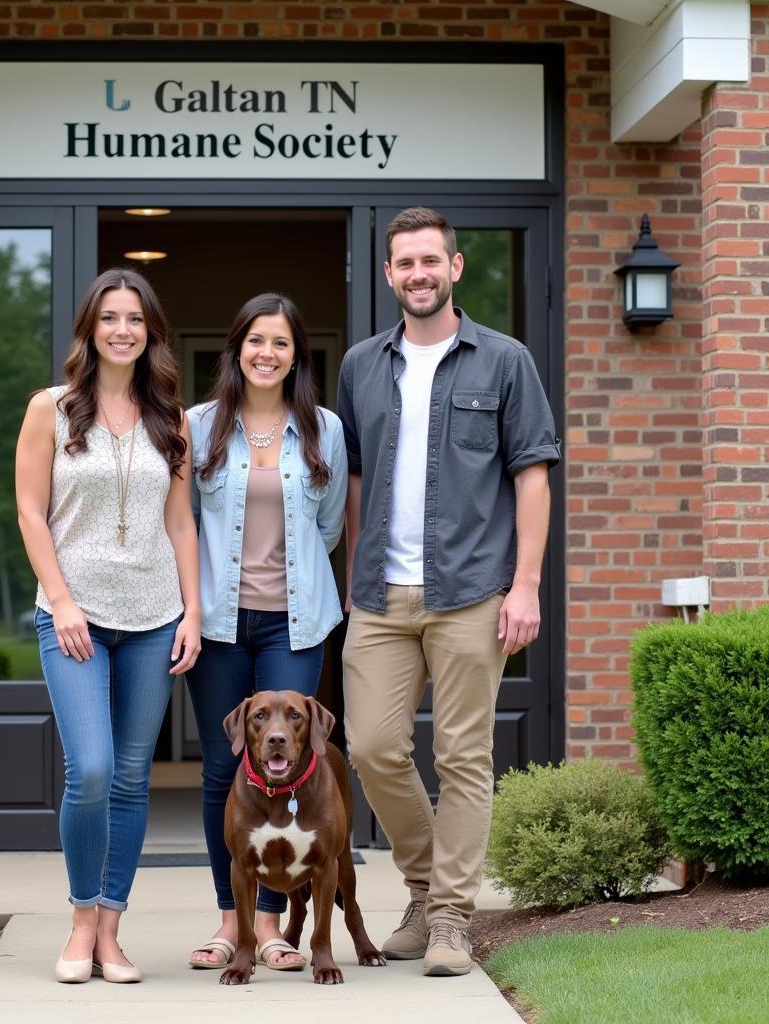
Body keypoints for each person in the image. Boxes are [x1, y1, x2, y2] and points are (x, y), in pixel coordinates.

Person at [337, 208, 560, 977]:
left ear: (455, 267)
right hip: (379, 596)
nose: (419, 274)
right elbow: (357, 475)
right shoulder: (363, 364)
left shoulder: (504, 361)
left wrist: (525, 585)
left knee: (463, 755)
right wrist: (352, 575)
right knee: (370, 747)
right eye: (405, 263)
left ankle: (451, 923)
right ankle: (429, 890)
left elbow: (531, 475)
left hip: (470, 591)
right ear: (390, 275)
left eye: (431, 260)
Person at [15, 267, 201, 985]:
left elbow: (180, 522)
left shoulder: (171, 419)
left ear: (152, 331)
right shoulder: (51, 410)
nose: (122, 330)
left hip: (155, 618)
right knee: (89, 770)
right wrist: (61, 599)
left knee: (129, 778)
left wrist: (193, 610)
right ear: (90, 330)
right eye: (109, 318)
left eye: (135, 319)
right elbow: (32, 512)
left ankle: (113, 930)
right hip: (75, 618)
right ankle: (80, 918)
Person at [185, 293, 347, 972]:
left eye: (280, 343)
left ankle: (271, 926)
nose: (266, 354)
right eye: (256, 341)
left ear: (295, 355)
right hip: (219, 619)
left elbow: (330, 525)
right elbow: (183, 520)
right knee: (227, 767)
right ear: (237, 348)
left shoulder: (324, 430)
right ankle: (232, 921)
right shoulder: (197, 427)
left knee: (288, 767)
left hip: (296, 619)